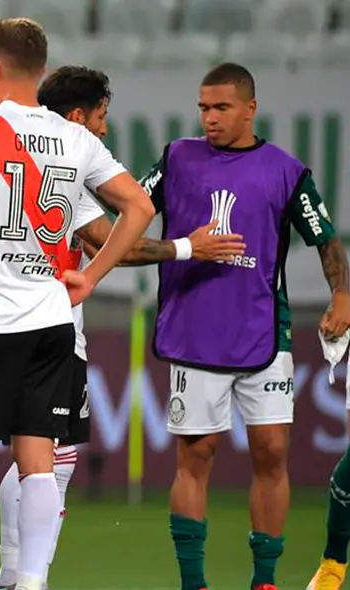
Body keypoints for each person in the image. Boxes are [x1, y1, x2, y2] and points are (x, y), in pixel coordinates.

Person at [0, 65, 247, 590]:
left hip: (1, 321)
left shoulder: (16, 155)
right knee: (49, 459)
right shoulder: (65, 169)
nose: (105, 129)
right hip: (51, 329)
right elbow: (115, 242)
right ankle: (19, 577)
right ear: (78, 116)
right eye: (102, 116)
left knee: (33, 456)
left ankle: (10, 573)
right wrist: (186, 247)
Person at [0, 19, 155, 590]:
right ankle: (30, 581)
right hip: (54, 319)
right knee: (38, 463)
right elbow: (139, 208)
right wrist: (92, 277)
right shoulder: (77, 139)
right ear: (42, 70)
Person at [133, 63, 350, 590]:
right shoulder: (176, 158)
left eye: (221, 107)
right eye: (203, 108)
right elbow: (131, 210)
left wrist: (342, 294)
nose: (209, 118)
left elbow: (325, 239)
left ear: (250, 109)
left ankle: (265, 581)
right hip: (195, 330)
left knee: (272, 453)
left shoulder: (286, 171)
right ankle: (194, 583)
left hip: (264, 331)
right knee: (196, 454)